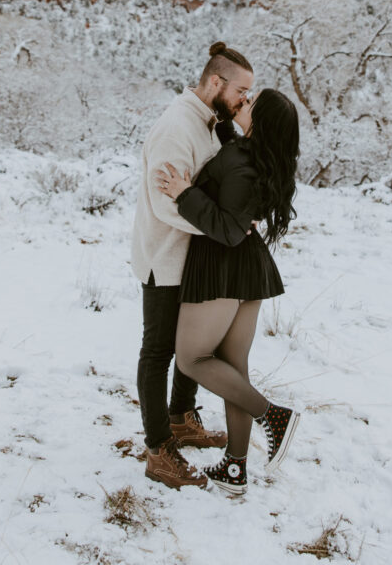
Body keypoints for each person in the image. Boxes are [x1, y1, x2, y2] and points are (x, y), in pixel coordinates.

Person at [156, 87, 300, 496]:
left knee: (192, 358)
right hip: (247, 270)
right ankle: (236, 469)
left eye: (251, 103)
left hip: (223, 266)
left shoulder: (240, 162)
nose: (244, 101)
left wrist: (184, 193)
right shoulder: (254, 155)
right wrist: (221, 125)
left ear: (261, 122)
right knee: (233, 370)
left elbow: (228, 229)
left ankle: (272, 416)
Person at [131, 41, 255, 489]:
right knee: (159, 352)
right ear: (216, 82)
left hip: (193, 258)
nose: (245, 100)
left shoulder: (209, 122)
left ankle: (182, 418)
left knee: (192, 347)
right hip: (165, 258)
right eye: (242, 91)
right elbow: (166, 204)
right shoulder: (176, 127)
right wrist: (223, 227)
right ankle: (157, 449)